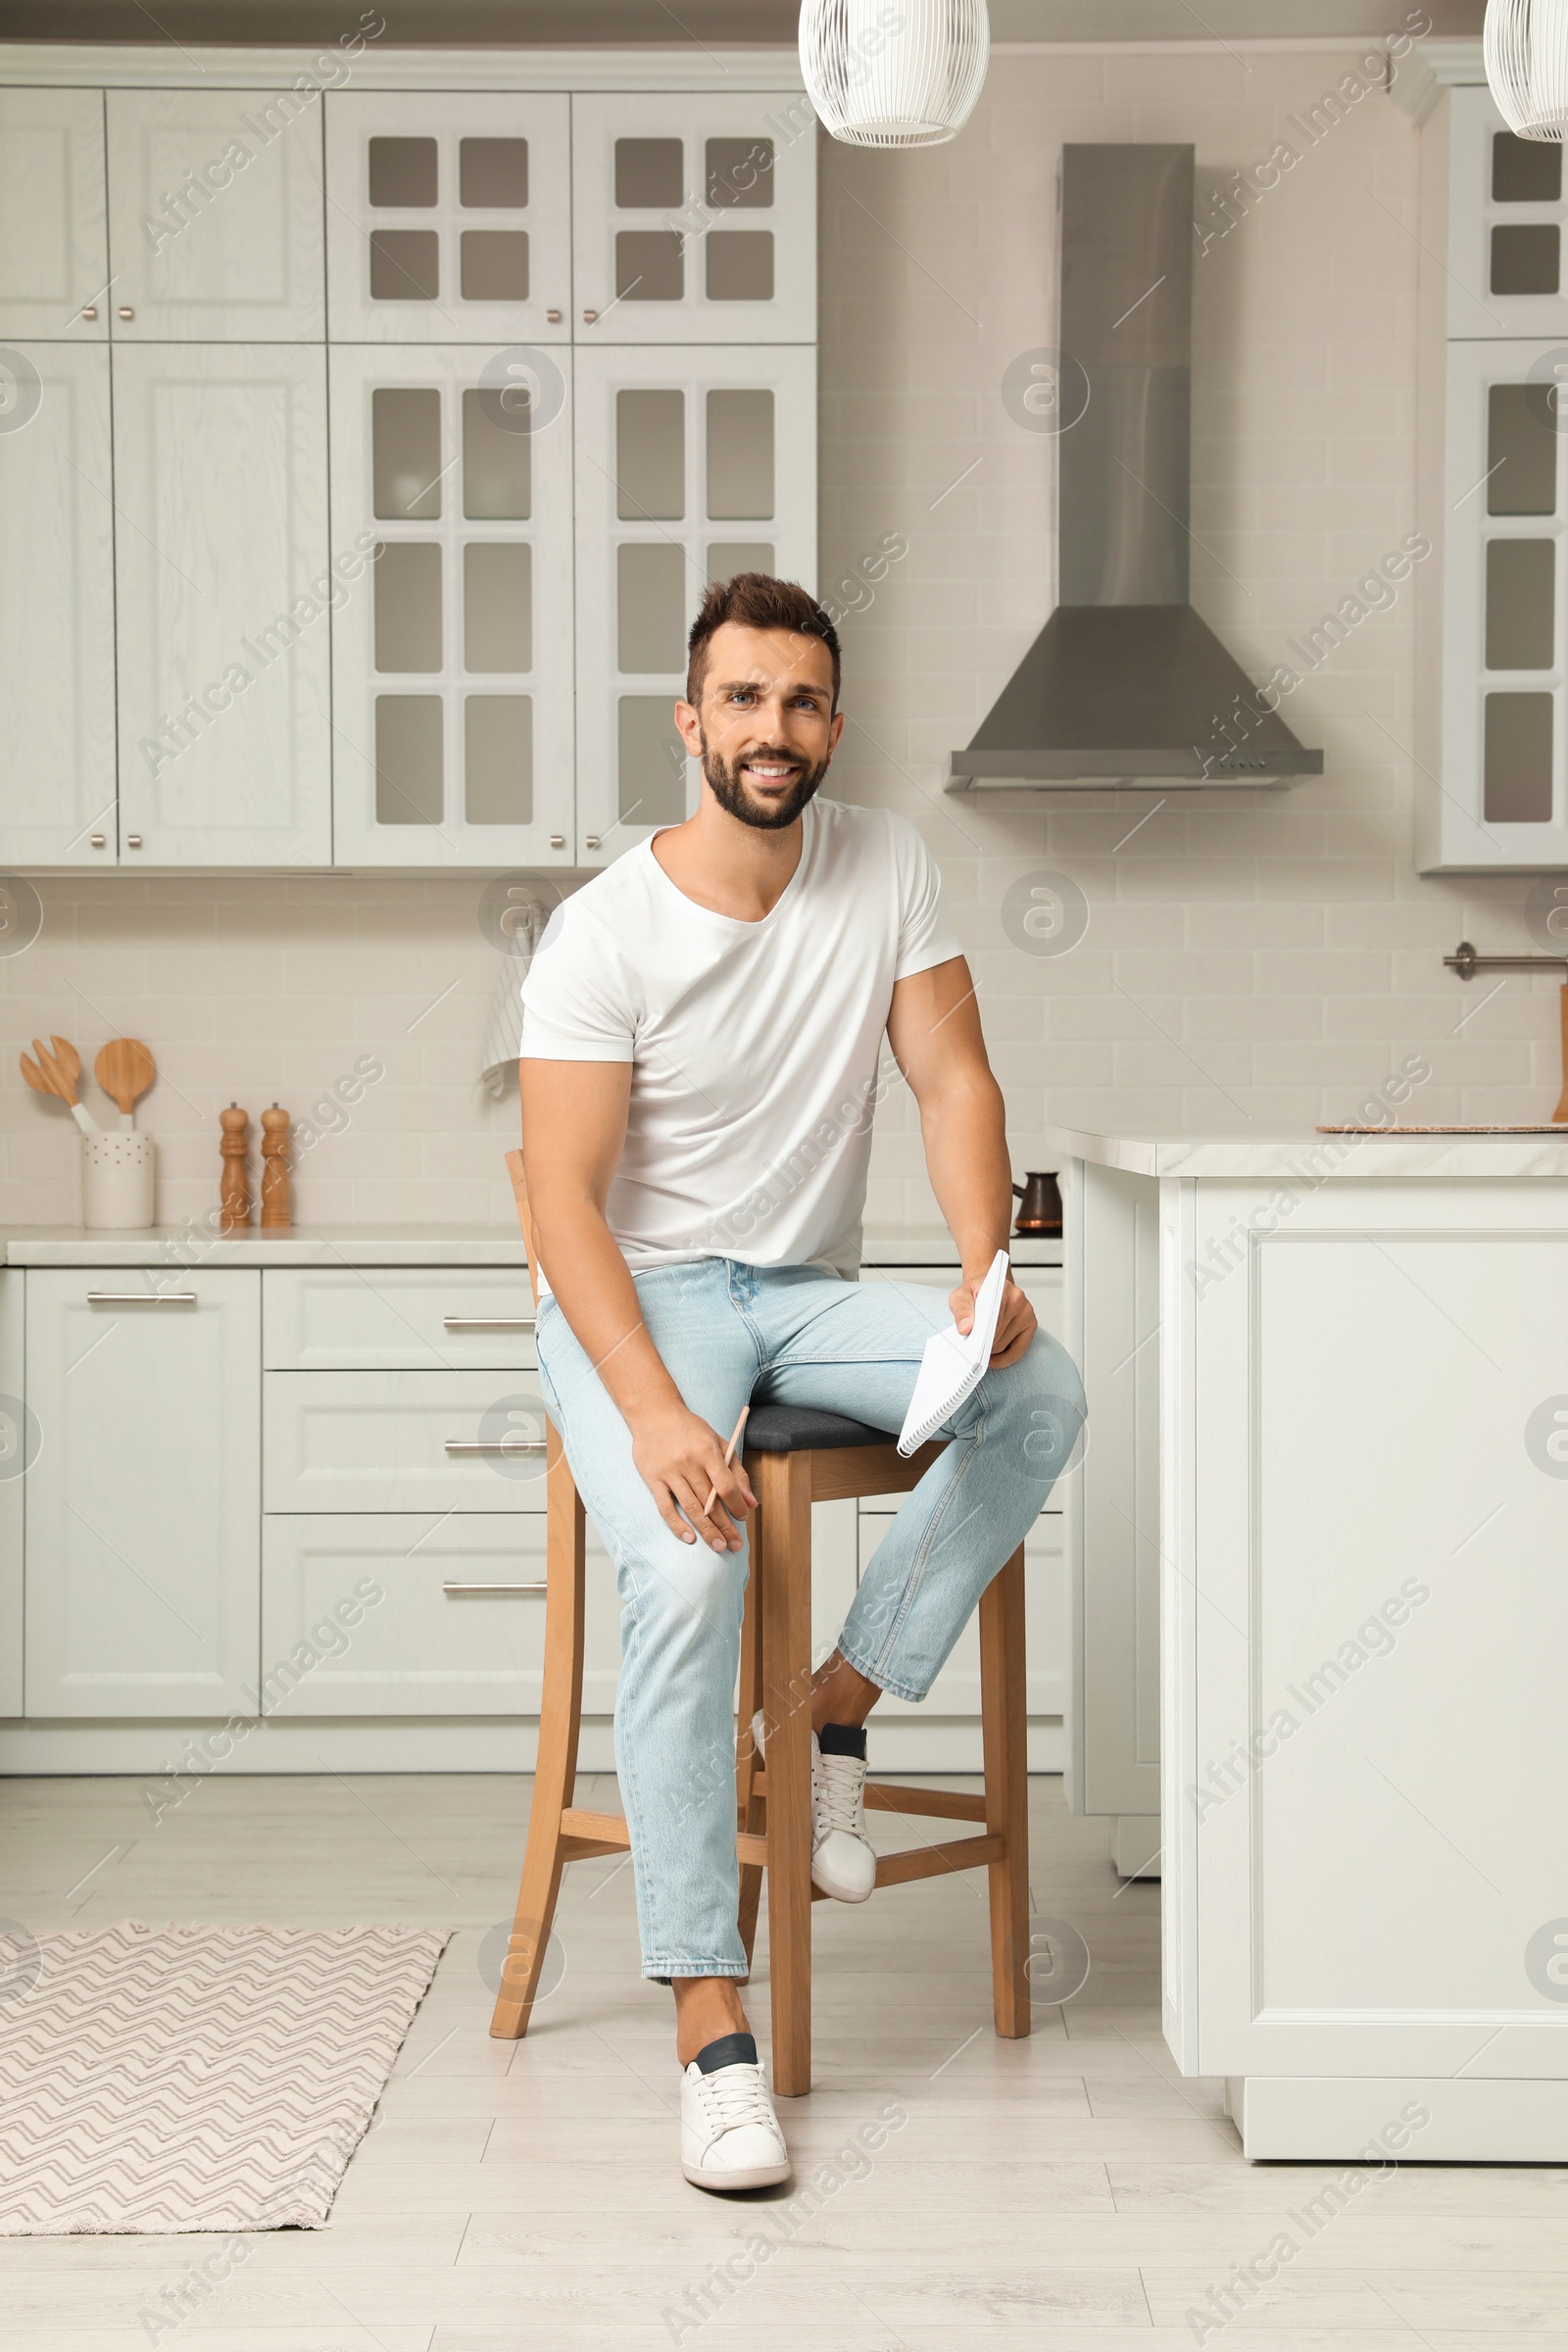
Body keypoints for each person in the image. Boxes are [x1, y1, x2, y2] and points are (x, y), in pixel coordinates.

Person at [518, 572, 1085, 2192]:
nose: (778, 730)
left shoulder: (886, 862)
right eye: (746, 700)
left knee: (1042, 1394)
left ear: (834, 722)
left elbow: (952, 1072)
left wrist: (984, 1271)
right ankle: (712, 2031)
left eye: (805, 701)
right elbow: (562, 1203)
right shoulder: (603, 932)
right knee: (695, 1571)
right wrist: (651, 1409)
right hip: (639, 1299)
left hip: (806, 1290)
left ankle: (832, 1709)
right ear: (690, 721)